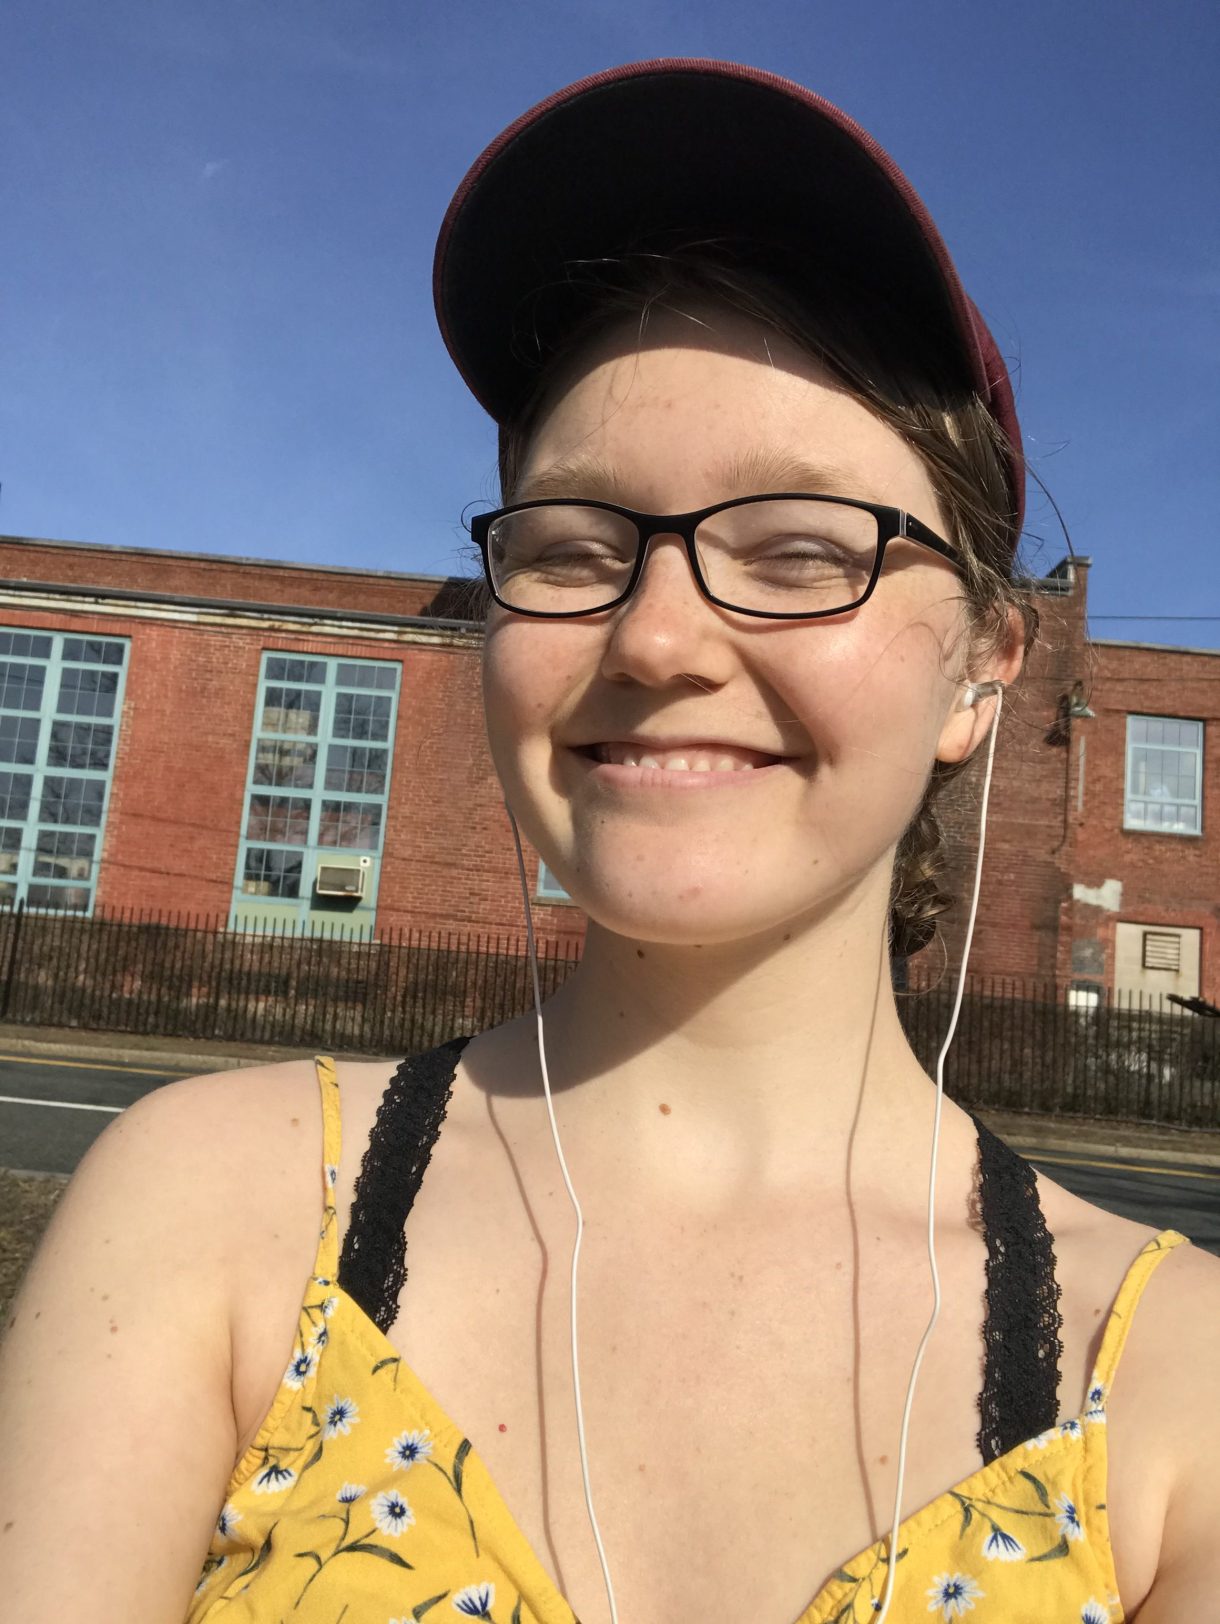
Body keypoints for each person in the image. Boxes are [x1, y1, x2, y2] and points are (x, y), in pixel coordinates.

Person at [1, 58, 1216, 1624]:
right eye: (577, 548)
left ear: (984, 667)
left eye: (794, 550)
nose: (655, 639)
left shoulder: (1170, 1393)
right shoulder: (208, 1215)